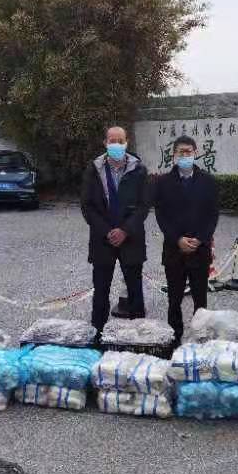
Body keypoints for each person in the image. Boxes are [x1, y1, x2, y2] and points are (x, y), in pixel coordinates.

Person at [80, 126, 149, 335]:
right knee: (101, 292)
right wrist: (107, 231)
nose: (116, 145)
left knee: (135, 292)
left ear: (127, 142)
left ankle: (139, 337)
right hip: (103, 239)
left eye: (120, 140)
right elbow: (87, 206)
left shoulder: (139, 169)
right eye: (112, 141)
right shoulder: (93, 169)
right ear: (105, 143)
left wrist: (125, 230)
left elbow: (144, 206)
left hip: (131, 238)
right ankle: (98, 335)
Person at [153, 135, 219, 344]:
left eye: (188, 151)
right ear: (174, 155)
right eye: (180, 152)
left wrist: (200, 239)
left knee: (201, 300)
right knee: (174, 299)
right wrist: (177, 239)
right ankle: (174, 338)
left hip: (200, 251)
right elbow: (161, 215)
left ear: (195, 153)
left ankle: (201, 339)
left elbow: (212, 215)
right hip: (174, 250)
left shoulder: (208, 181)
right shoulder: (163, 182)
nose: (185, 155)